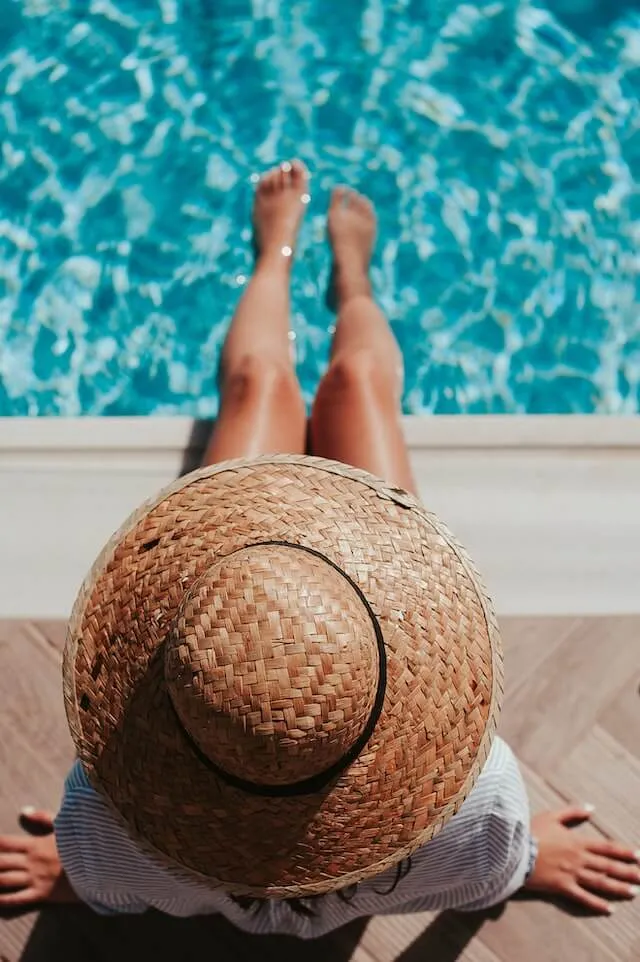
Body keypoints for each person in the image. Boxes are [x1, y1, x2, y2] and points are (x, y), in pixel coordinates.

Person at [1, 161, 638, 937]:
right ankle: (352, 282)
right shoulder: (478, 802)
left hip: (251, 593)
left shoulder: (104, 825)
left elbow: (110, 884)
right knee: (360, 383)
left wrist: (76, 875)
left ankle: (276, 255)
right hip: (351, 609)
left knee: (262, 388)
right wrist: (524, 860)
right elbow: (489, 870)